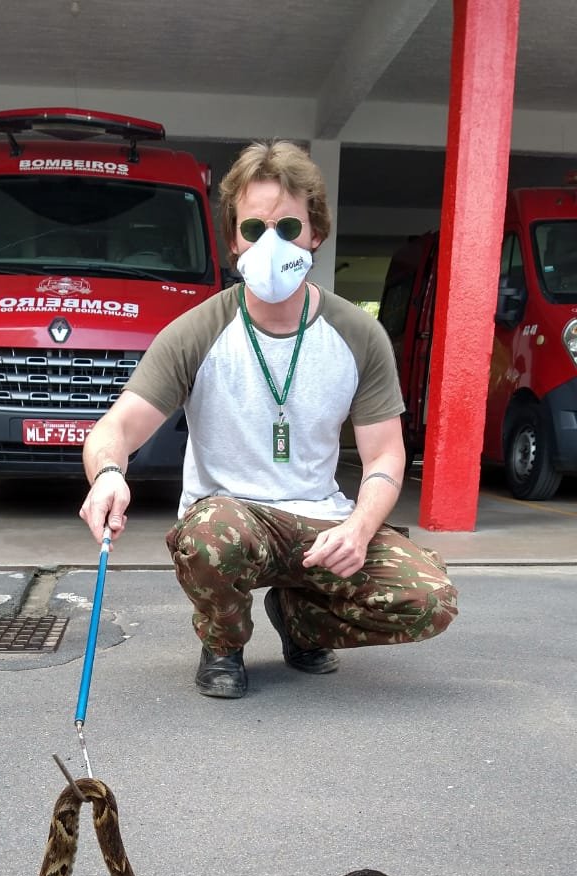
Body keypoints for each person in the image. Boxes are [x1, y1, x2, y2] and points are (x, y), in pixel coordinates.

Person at [80, 140, 458, 698]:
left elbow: (384, 455)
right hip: (236, 518)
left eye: (288, 227)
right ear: (234, 241)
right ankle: (223, 642)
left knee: (429, 598)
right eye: (254, 229)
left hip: (321, 521)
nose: (270, 243)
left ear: (316, 234)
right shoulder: (197, 332)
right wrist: (108, 473)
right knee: (210, 536)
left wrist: (358, 527)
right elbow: (115, 429)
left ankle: (301, 620)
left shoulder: (358, 335)